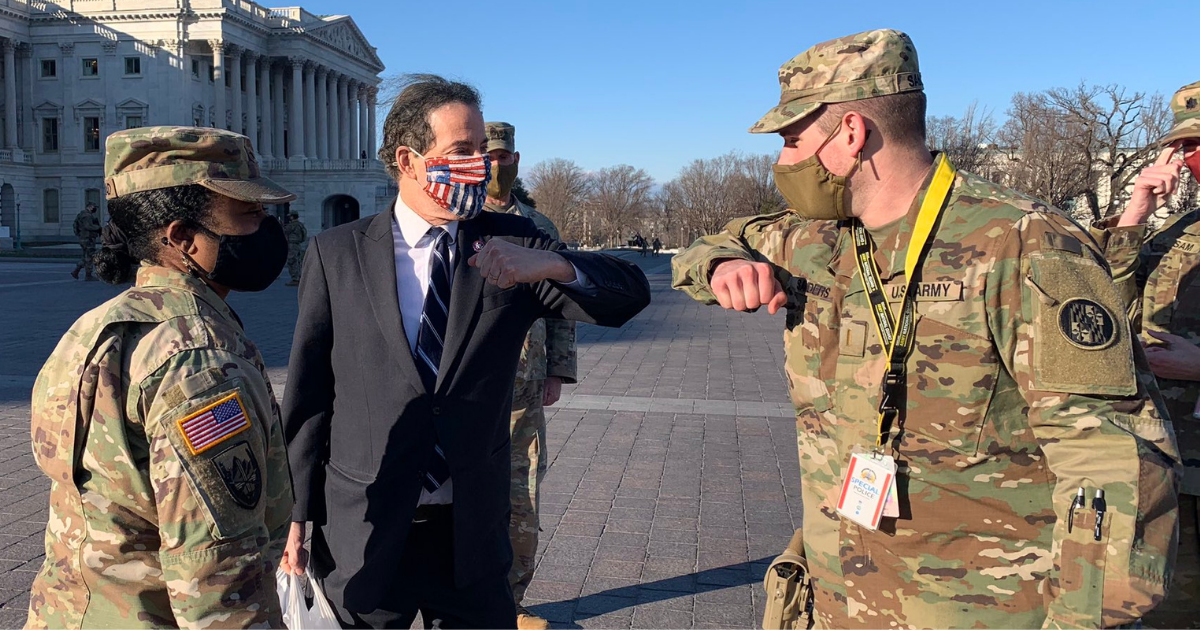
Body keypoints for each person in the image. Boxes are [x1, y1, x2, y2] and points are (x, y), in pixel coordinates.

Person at [672, 29, 1180, 629]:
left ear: (852, 134)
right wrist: (721, 265)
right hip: (841, 599)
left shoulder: (1022, 244)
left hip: (978, 611)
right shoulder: (814, 239)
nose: (783, 164)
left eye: (791, 142)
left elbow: (1113, 463)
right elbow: (703, 249)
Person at [280, 74, 651, 629]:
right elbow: (309, 395)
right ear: (409, 160)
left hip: (470, 534)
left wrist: (554, 265)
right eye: (462, 151)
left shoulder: (513, 242)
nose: (481, 164)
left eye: (482, 150)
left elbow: (629, 295)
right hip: (366, 528)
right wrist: (296, 516)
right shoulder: (338, 253)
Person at [25, 126, 295, 629]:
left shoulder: (102, 324)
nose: (266, 228)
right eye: (249, 214)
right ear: (182, 238)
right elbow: (216, 575)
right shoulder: (200, 360)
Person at [1088, 79, 1200, 629]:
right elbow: (1099, 309)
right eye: (1184, 147)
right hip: (1165, 471)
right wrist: (1134, 215)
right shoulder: (1179, 230)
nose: (1192, 159)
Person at [482, 121, 578, 630]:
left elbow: (562, 308)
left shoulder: (538, 227)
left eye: (502, 158)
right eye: (486, 157)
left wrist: (558, 369)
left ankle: (512, 602)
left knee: (524, 495)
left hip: (525, 385)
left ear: (516, 161)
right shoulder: (458, 221)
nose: (495, 167)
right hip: (469, 387)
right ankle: (467, 599)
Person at [70, 202, 101, 280]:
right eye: (94, 207)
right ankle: (88, 275)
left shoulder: (82, 214)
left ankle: (76, 271)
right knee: (90, 256)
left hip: (84, 238)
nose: (95, 209)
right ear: (89, 207)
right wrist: (98, 228)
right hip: (88, 238)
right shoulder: (87, 216)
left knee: (86, 256)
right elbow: (88, 226)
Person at [284, 210, 308, 286]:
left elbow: (285, 231)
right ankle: (299, 277)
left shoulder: (292, 225)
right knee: (298, 261)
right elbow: (304, 234)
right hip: (297, 244)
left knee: (292, 261)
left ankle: (295, 279)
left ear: (292, 216)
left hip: (292, 244)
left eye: (290, 216)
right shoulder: (300, 225)